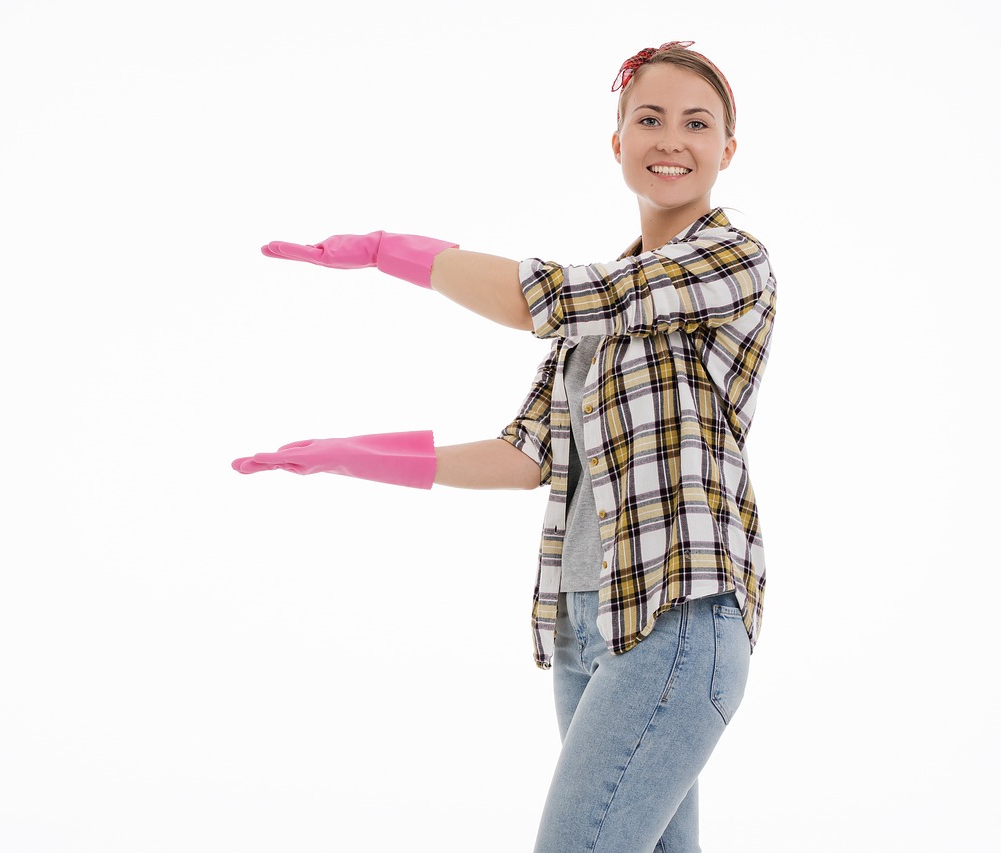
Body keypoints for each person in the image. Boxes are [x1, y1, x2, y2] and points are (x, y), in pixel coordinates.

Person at [232, 41, 775, 853]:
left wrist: (392, 251)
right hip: (587, 625)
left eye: (697, 124)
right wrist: (348, 453)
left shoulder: (731, 261)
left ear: (727, 149)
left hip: (678, 610)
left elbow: (549, 297)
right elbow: (527, 453)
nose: (672, 140)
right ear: (617, 139)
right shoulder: (598, 317)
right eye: (649, 118)